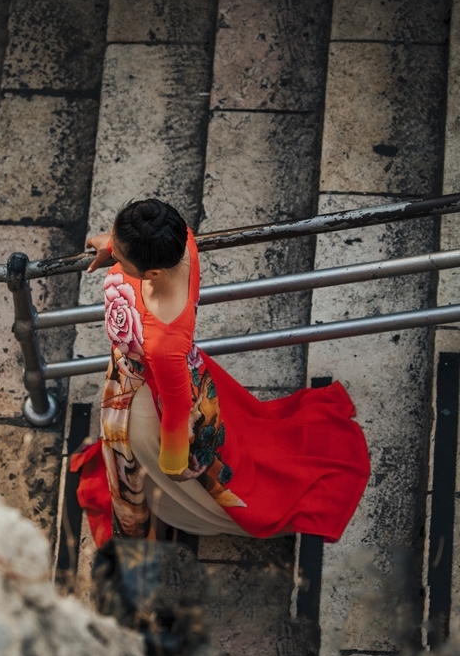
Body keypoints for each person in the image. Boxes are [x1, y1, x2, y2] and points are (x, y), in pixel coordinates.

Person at [70, 198, 371, 546]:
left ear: (151, 272)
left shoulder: (163, 339)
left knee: (152, 463)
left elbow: (177, 406)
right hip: (161, 373)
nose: (113, 255)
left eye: (121, 256)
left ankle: (169, 504)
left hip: (150, 394)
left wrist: (173, 462)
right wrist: (114, 243)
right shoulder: (179, 239)